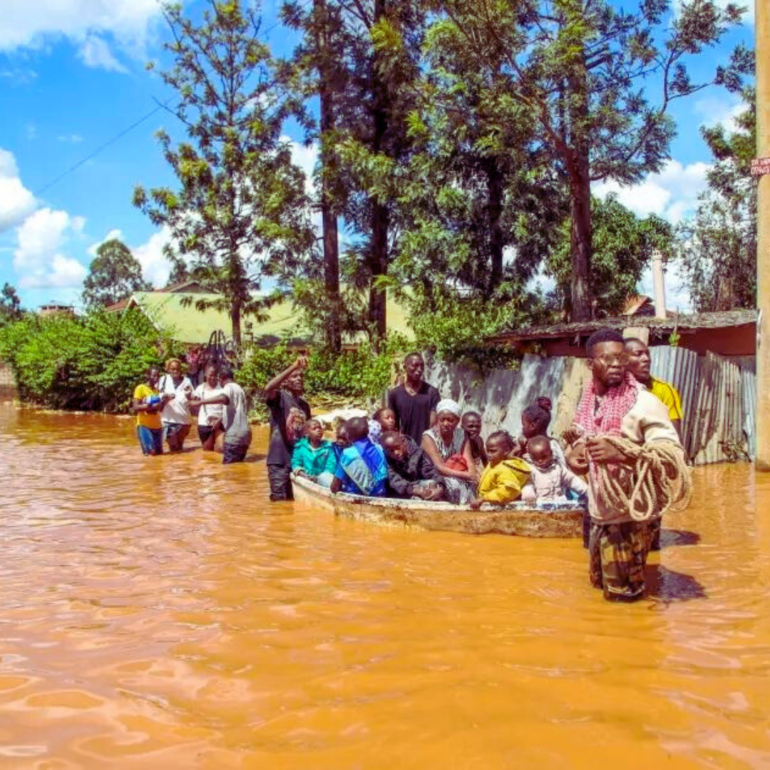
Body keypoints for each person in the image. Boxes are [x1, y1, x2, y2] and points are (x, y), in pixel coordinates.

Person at [568, 328, 685, 602]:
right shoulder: (588, 401)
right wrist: (575, 453)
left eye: (620, 358)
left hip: (629, 519)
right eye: (607, 359)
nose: (616, 365)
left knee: (624, 601)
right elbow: (578, 434)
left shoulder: (644, 402)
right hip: (599, 515)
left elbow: (673, 456)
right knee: (599, 590)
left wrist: (622, 454)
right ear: (590, 365)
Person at [264, 356, 312, 501]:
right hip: (279, 460)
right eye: (294, 376)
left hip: (297, 461)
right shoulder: (280, 398)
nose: (299, 379)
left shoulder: (304, 406)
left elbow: (307, 436)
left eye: (301, 376)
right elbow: (268, 388)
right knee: (279, 504)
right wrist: (293, 366)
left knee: (293, 503)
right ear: (285, 381)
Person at [189, 366, 252, 464]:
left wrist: (201, 402)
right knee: (238, 466)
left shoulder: (228, 387)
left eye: (218, 378)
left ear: (222, 377)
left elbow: (223, 398)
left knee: (228, 468)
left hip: (234, 435)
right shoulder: (239, 389)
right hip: (245, 434)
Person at [421, 399, 477, 504]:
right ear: (437, 419)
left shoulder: (462, 435)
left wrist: (473, 474)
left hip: (457, 474)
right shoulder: (428, 437)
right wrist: (467, 476)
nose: (445, 423)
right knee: (447, 485)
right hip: (435, 475)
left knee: (475, 484)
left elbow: (469, 461)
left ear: (458, 421)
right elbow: (440, 468)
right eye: (442, 420)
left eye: (450, 420)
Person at [624, 337, 684, 437]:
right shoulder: (613, 390)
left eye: (647, 353)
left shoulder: (664, 390)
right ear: (623, 360)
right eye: (638, 354)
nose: (646, 359)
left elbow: (674, 436)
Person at [387, 353, 440, 445]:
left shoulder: (431, 392)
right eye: (414, 365)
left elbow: (434, 424)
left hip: (426, 446)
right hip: (405, 446)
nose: (419, 369)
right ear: (405, 367)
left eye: (422, 366)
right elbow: (393, 424)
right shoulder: (395, 394)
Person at [470, 432, 531, 509]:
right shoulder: (493, 464)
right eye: (487, 451)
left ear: (506, 451)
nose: (489, 454)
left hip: (497, 508)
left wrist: (484, 498)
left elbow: (508, 490)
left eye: (493, 451)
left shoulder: (504, 469)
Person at [330, 417, 388, 497]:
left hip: (356, 496)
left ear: (348, 436)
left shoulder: (348, 454)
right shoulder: (380, 448)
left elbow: (334, 487)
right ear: (368, 431)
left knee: (323, 477)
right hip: (381, 494)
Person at [521, 435, 588, 504]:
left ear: (551, 453)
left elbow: (571, 480)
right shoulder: (531, 470)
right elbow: (528, 484)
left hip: (559, 503)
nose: (540, 460)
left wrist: (586, 490)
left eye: (544, 457)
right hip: (541, 504)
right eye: (535, 458)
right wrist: (528, 495)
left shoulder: (558, 467)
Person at [381, 431, 446, 500]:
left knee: (432, 485)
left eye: (397, 447)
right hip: (401, 492)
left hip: (418, 485)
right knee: (416, 499)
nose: (396, 453)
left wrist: (441, 487)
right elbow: (395, 481)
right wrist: (415, 490)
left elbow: (430, 472)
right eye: (391, 451)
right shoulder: (388, 460)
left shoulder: (417, 453)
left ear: (403, 442)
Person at [513, 401, 567, 467]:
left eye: (523, 424)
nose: (522, 428)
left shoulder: (552, 446)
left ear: (532, 426)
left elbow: (561, 468)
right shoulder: (524, 443)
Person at [132, 366, 169, 456]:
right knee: (150, 453)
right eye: (153, 376)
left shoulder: (157, 391)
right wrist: (150, 406)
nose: (156, 378)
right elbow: (135, 407)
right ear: (147, 375)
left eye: (157, 376)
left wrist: (165, 401)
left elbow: (159, 409)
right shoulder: (140, 388)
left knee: (159, 454)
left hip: (157, 426)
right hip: (144, 425)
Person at [158, 358, 194, 453]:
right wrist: (166, 398)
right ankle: (173, 467)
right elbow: (159, 397)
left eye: (177, 369)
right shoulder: (163, 380)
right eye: (173, 369)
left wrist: (188, 394)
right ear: (168, 369)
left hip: (184, 421)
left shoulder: (187, 381)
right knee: (173, 446)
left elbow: (192, 398)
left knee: (179, 448)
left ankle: (179, 466)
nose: (175, 371)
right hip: (167, 420)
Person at [291, 418, 337, 487]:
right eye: (314, 428)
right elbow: (296, 463)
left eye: (320, 428)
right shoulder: (300, 447)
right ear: (307, 433)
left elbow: (330, 467)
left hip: (322, 480)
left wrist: (318, 479)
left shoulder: (328, 448)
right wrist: (303, 475)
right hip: (305, 478)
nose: (318, 430)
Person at [192, 363, 224, 451]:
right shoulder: (200, 389)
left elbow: (227, 408)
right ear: (205, 374)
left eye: (215, 375)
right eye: (210, 375)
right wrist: (191, 398)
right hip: (204, 423)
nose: (213, 377)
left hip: (220, 423)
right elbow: (193, 403)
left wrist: (220, 420)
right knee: (207, 452)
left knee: (221, 448)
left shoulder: (222, 389)